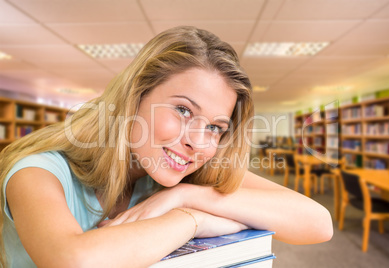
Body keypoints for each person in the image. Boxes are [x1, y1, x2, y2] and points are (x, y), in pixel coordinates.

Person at [0, 26, 333, 267]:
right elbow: (74, 261)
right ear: (135, 97)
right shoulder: (37, 172)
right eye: (183, 110)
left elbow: (319, 223)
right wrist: (194, 220)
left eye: (215, 127)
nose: (197, 142)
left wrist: (186, 197)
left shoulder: (185, 173)